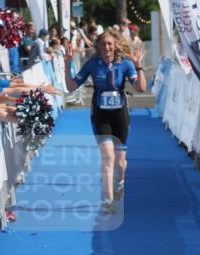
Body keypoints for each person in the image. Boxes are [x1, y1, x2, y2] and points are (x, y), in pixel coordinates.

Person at [63, 31, 146, 214]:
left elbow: (140, 88)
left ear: (115, 45)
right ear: (98, 47)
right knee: (107, 156)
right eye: (103, 45)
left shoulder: (125, 63)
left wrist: (139, 67)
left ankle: (120, 181)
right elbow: (71, 87)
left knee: (120, 162)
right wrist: (67, 63)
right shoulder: (92, 64)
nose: (106, 48)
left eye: (109, 44)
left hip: (120, 115)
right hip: (100, 114)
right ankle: (108, 201)